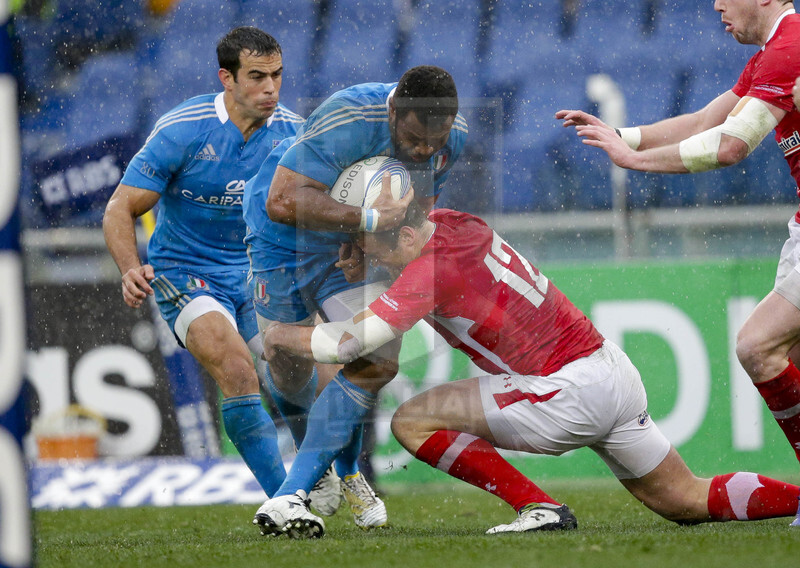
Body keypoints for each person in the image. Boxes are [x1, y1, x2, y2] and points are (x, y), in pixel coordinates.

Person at [260, 201, 800, 536]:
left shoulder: (428, 270)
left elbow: (352, 341)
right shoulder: (456, 224)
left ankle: (538, 508)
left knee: (412, 422)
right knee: (686, 501)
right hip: (609, 369)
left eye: (372, 243)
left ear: (403, 234)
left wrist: (278, 335)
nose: (367, 255)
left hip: (567, 389)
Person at [556, 0, 800, 507]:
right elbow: (704, 121)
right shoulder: (770, 54)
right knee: (787, 359)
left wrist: (634, 163)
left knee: (758, 347)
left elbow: (730, 145)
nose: (716, 5)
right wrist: (621, 137)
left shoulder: (791, 45)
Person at [243, 65, 468, 536]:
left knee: (376, 357)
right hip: (281, 240)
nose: (425, 150)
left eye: (436, 140)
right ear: (392, 113)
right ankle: (325, 467)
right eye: (412, 138)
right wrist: (366, 221)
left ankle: (306, 485)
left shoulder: (453, 136)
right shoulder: (350, 116)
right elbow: (281, 202)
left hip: (349, 240)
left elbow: (415, 207)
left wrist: (368, 247)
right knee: (288, 367)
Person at [103, 27, 303, 501]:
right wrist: (130, 267)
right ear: (227, 79)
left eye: (277, 76)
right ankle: (286, 501)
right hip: (185, 270)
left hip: (257, 271)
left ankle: (341, 476)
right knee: (237, 369)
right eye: (256, 77)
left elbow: (316, 209)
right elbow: (119, 207)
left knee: (296, 369)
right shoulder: (183, 129)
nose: (270, 89)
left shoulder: (296, 133)